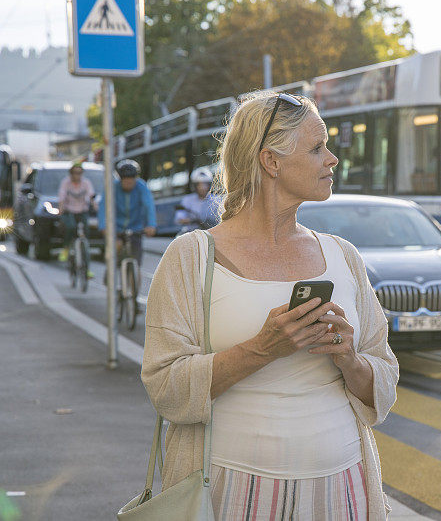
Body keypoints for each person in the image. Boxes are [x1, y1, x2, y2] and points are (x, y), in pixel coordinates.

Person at [140, 92, 399, 519]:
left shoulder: (343, 255)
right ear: (271, 162)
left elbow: (384, 379)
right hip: (227, 491)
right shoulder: (191, 257)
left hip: (342, 488)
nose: (332, 159)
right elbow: (165, 387)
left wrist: (350, 358)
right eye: (317, 147)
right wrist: (263, 348)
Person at [97, 159, 157, 268]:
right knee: (116, 246)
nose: (129, 183)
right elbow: (103, 207)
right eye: (125, 180)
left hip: (135, 228)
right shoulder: (112, 188)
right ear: (120, 179)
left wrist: (151, 225)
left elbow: (149, 205)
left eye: (132, 180)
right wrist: (103, 226)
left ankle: (134, 279)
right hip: (116, 227)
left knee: (136, 263)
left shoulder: (141, 186)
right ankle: (110, 272)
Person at [57, 162, 97, 277]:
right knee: (70, 227)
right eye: (75, 173)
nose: (77, 175)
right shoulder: (66, 183)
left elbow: (91, 195)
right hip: (69, 210)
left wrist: (94, 205)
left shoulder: (86, 183)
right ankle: (66, 248)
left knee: (86, 231)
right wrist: (60, 209)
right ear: (71, 173)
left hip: (82, 210)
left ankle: (86, 264)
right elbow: (62, 196)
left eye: (79, 173)